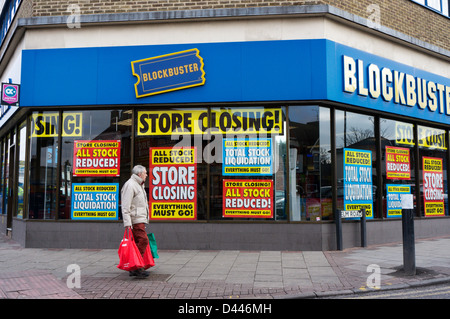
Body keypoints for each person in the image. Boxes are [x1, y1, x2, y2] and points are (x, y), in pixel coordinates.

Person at [121, 165, 150, 278]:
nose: (146, 175)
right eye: (145, 173)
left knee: (139, 242)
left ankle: (135, 267)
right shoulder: (131, 185)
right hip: (135, 220)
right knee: (143, 241)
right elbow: (125, 206)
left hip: (139, 219)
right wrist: (128, 223)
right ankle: (137, 267)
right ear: (139, 174)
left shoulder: (138, 185)